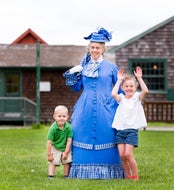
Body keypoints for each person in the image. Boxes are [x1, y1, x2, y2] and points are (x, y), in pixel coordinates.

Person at [63, 27, 125, 179]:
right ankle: (80, 170)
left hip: (107, 107)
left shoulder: (111, 68)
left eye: (98, 48)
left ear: (103, 49)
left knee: (108, 133)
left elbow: (121, 90)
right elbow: (77, 88)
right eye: (92, 47)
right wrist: (73, 74)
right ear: (88, 48)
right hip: (85, 106)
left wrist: (126, 105)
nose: (95, 50)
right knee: (80, 131)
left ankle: (110, 170)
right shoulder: (83, 66)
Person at [111, 66, 149, 181]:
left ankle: (135, 176)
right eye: (126, 86)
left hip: (131, 130)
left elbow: (145, 91)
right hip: (120, 130)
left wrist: (139, 78)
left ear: (135, 87)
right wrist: (119, 80)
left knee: (128, 154)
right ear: (123, 88)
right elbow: (113, 94)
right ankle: (128, 175)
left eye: (131, 86)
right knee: (122, 155)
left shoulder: (137, 97)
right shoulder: (121, 97)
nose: (129, 88)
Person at [47, 105, 73, 179]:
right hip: (55, 146)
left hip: (65, 146)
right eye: (59, 116)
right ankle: (51, 175)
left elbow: (69, 140)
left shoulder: (68, 127)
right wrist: (49, 154)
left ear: (67, 117)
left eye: (64, 116)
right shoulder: (53, 128)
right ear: (55, 117)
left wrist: (66, 152)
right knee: (53, 161)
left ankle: (66, 175)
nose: (62, 118)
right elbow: (49, 142)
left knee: (67, 160)